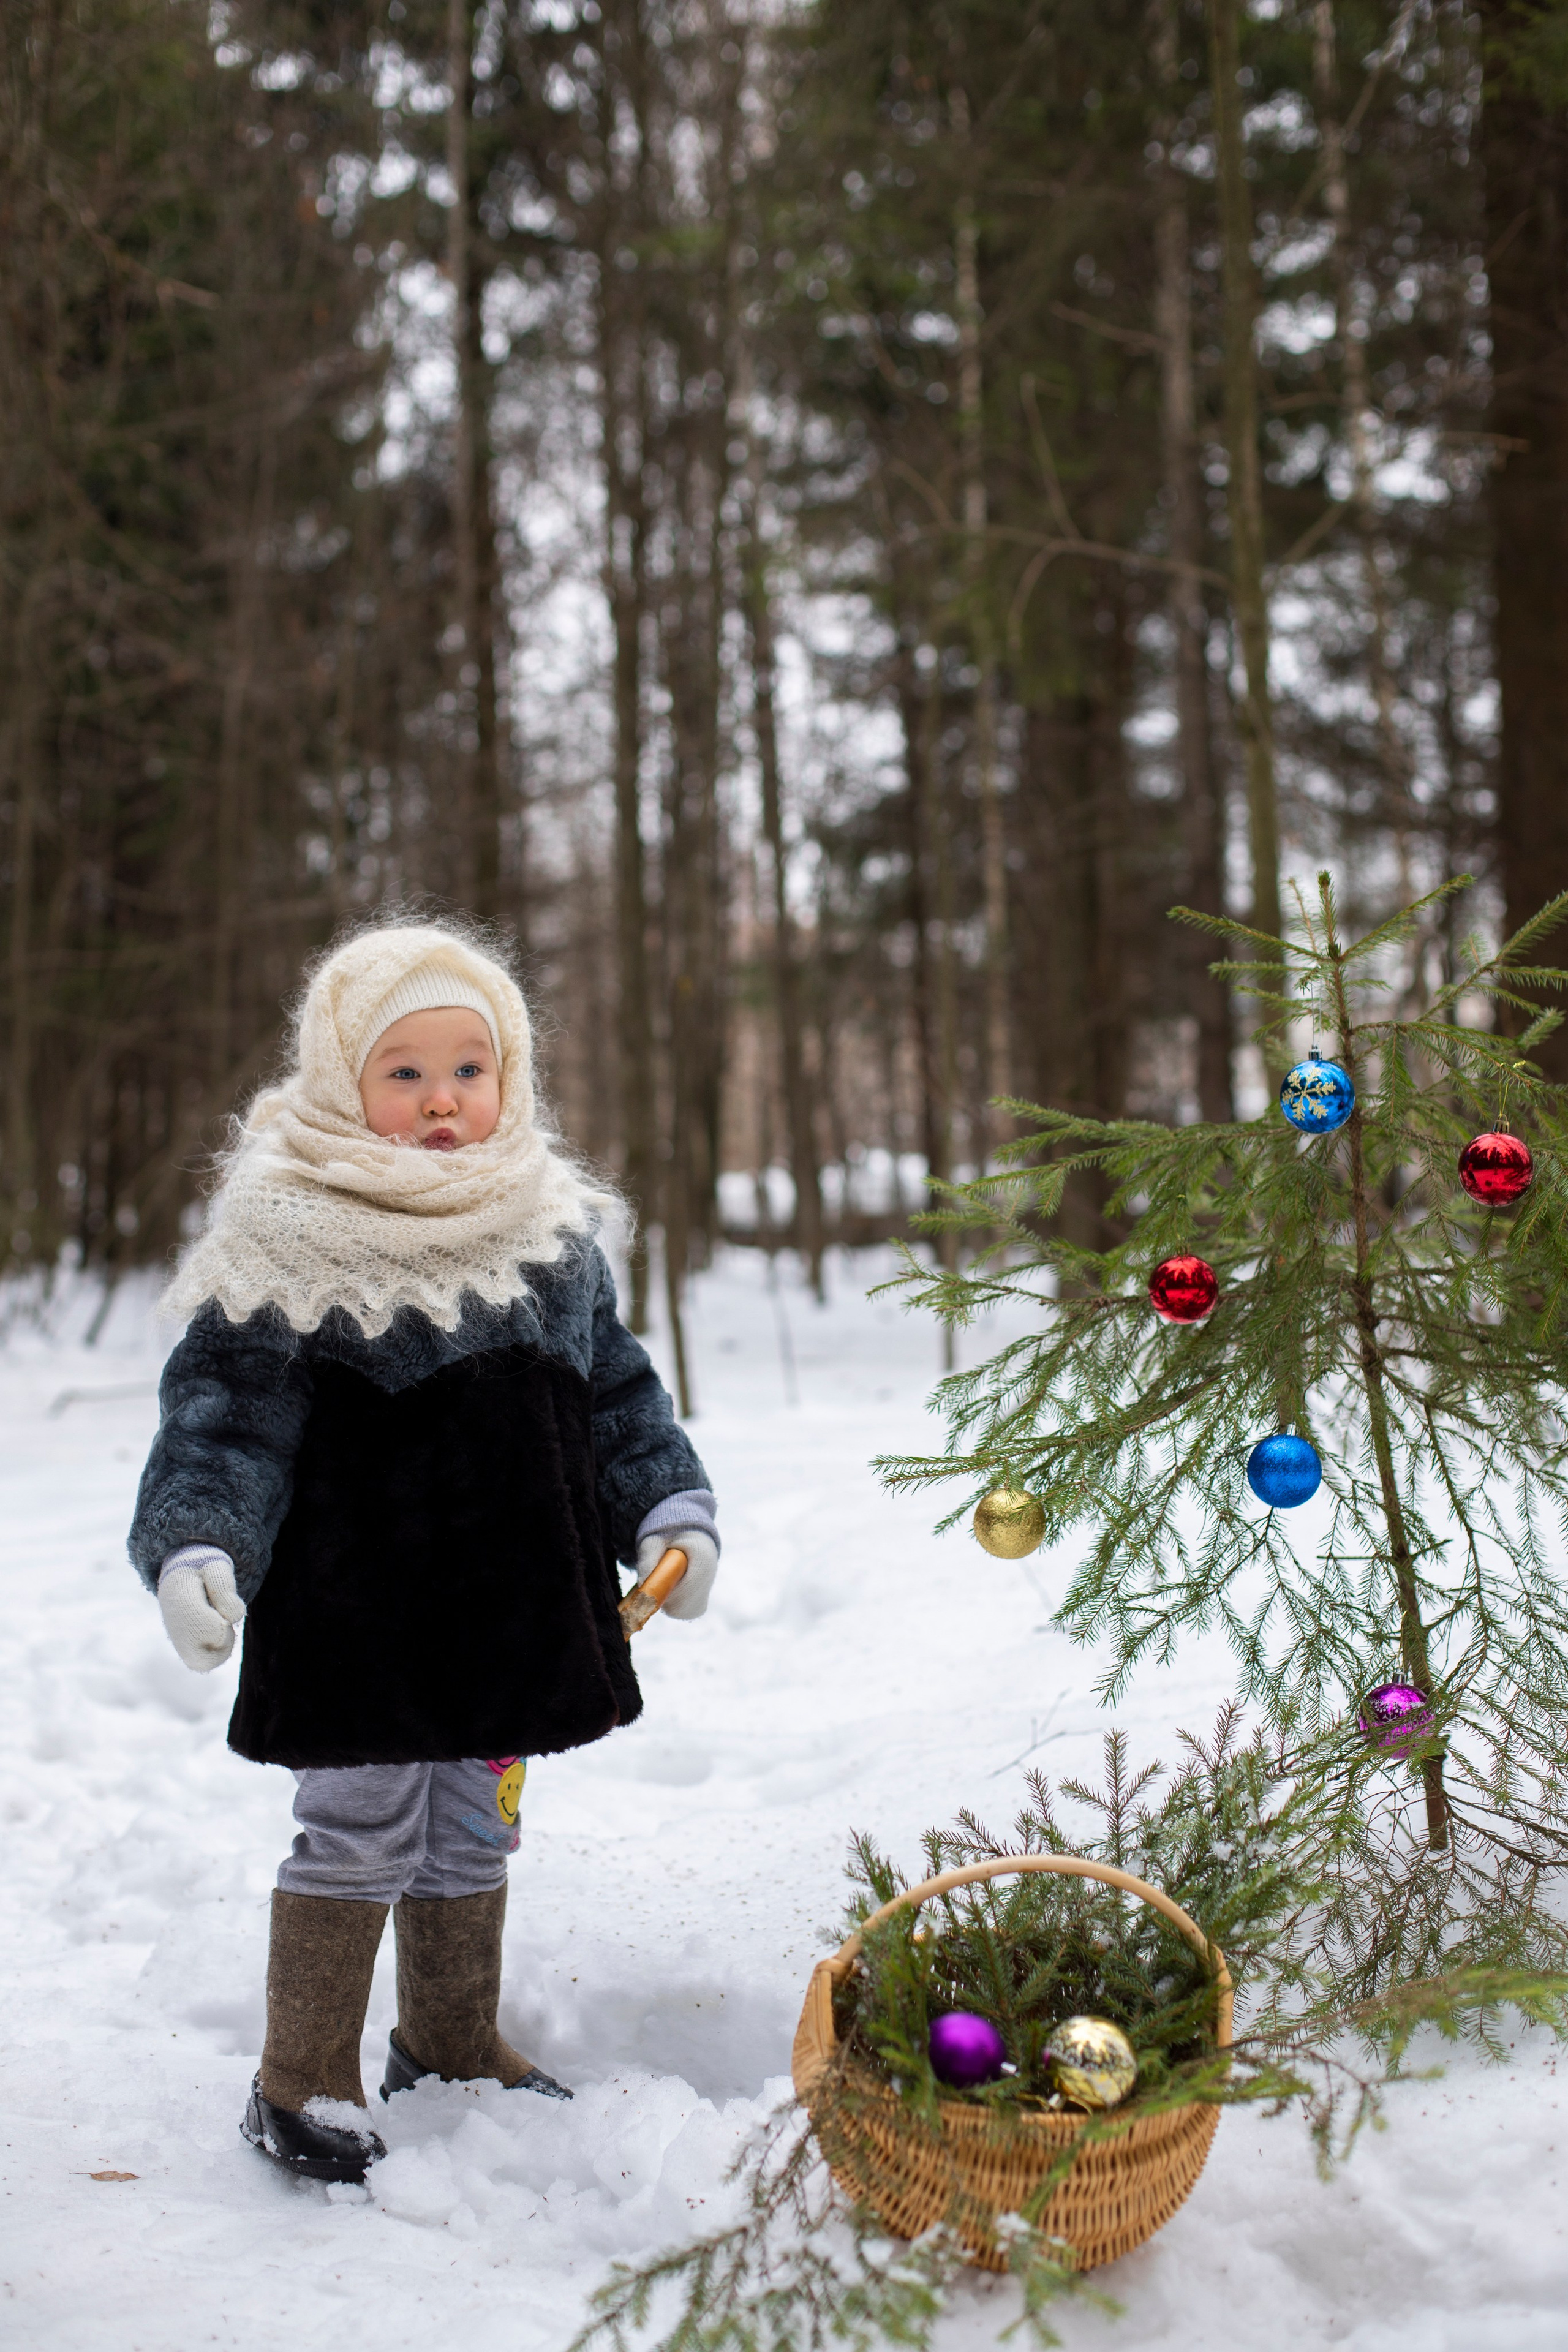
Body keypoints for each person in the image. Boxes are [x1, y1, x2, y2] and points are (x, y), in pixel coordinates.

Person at [128, 920, 718, 2185]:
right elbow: (225, 1420)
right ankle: (301, 2078)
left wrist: (668, 1507)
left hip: (509, 1603)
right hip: (361, 1612)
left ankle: (446, 2037)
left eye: (470, 1066)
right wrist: (194, 1544)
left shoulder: (547, 1229)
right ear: (344, 1081)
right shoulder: (290, 1230)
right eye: (404, 1073)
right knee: (358, 1824)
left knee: (471, 1825)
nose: (443, 1098)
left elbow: (615, 1396)